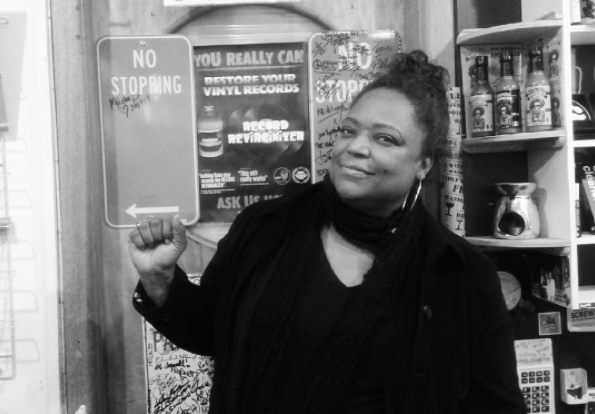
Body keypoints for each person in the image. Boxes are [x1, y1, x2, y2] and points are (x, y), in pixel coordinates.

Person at [129, 50, 526, 414]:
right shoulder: (265, 228)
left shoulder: (461, 275)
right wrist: (160, 280)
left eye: (385, 138)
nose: (355, 147)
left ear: (423, 164)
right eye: (348, 131)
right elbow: (209, 332)